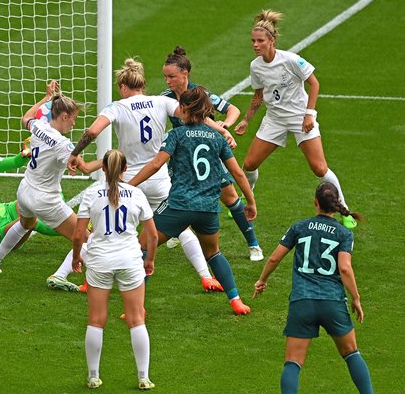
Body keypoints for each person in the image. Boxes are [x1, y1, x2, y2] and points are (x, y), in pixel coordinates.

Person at [69, 58, 223, 292]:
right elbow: (193, 116)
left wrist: (75, 152)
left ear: (123, 86)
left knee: (102, 226)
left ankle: (89, 281)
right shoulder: (161, 101)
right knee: (183, 229)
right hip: (159, 176)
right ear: (142, 85)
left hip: (127, 179)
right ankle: (205, 276)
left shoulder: (117, 107)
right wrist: (221, 130)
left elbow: (92, 131)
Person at [129, 86, 255, 315]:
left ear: (185, 109)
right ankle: (236, 300)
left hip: (178, 205)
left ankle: (137, 309)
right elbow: (237, 173)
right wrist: (251, 201)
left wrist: (129, 185)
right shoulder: (217, 138)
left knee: (143, 247)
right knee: (214, 253)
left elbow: (156, 164)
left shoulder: (177, 135)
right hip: (207, 208)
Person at [234, 10, 357, 230]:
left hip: (300, 118)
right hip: (274, 119)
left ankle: (344, 210)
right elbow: (258, 95)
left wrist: (310, 114)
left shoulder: (291, 60)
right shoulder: (256, 66)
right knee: (250, 164)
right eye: (253, 41)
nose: (255, 45)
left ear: (271, 41)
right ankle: (248, 197)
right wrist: (246, 120)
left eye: (260, 41)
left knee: (320, 169)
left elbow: (314, 84)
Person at [253, 182, 372, 393]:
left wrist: (262, 280)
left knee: (293, 362)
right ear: (336, 206)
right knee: (352, 353)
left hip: (302, 302)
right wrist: (356, 298)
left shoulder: (299, 227)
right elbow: (344, 268)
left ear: (315, 202)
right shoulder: (344, 234)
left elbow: (273, 258)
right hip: (332, 303)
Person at [0, 81, 101, 276]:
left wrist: (45, 99)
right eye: (73, 118)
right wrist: (106, 161)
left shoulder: (38, 126)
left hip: (25, 190)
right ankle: (88, 279)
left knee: (25, 224)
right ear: (63, 116)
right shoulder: (63, 144)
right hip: (46, 200)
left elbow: (26, 117)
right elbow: (86, 168)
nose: (74, 123)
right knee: (86, 238)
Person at [161, 46, 264, 261]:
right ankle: (181, 229)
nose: (167, 81)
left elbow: (232, 110)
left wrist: (224, 125)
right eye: (165, 77)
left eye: (171, 76)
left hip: (205, 155)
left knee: (231, 198)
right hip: (182, 159)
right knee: (182, 194)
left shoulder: (201, 95)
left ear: (185, 74)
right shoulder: (165, 97)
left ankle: (253, 244)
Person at [72, 149, 157, 390]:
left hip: (99, 261)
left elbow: (79, 234)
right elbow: (151, 236)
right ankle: (143, 377)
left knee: (96, 320)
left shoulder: (90, 194)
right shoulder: (137, 194)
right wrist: (149, 260)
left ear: (103, 168)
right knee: (136, 319)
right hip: (130, 261)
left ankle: (93, 376)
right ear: (125, 169)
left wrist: (77, 257)